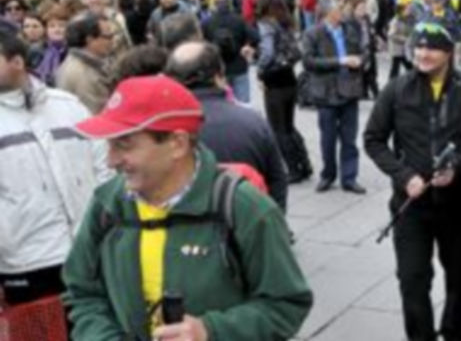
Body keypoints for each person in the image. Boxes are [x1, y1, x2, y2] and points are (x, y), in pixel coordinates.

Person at [62, 75, 313, 340]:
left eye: (124, 145)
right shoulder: (107, 203)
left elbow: (286, 304)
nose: (111, 160)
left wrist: (211, 331)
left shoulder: (245, 209)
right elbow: (82, 292)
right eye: (109, 144)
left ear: (177, 144)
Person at [364, 21, 461, 341]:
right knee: (412, 280)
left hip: (456, 206)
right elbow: (373, 139)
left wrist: (456, 168)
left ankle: (456, 331)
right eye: (418, 46)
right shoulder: (397, 88)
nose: (422, 53)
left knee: (459, 279)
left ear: (448, 52)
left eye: (431, 47)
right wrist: (404, 176)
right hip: (411, 208)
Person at [0, 32, 109, 307]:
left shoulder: (67, 105)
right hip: (27, 260)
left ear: (16, 62)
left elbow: (104, 163)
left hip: (90, 250)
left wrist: (104, 223)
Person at [165, 41, 289, 210]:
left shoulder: (163, 132)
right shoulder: (253, 121)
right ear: (219, 76)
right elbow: (277, 180)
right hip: (249, 221)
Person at [302, 0, 367, 194]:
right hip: (326, 92)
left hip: (350, 89)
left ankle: (349, 178)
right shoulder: (313, 33)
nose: (343, 11)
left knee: (349, 138)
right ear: (328, 13)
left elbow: (363, 51)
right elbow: (308, 61)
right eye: (339, 9)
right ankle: (328, 175)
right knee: (328, 138)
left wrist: (361, 60)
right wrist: (340, 61)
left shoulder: (349, 29)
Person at [255, 0, 312, 184]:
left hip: (274, 81)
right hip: (289, 79)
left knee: (279, 129)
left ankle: (294, 169)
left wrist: (259, 69)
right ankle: (304, 164)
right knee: (288, 126)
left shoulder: (266, 24)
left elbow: (268, 52)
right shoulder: (286, 22)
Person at [201, 0, 259, 103]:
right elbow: (256, 37)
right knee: (243, 104)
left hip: (218, 69)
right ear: (230, 3)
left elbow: (201, 43)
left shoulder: (207, 22)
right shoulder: (239, 20)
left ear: (215, 4)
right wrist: (248, 47)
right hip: (239, 66)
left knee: (222, 104)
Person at [56, 11, 115, 114]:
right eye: (108, 36)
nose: (112, 41)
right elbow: (96, 116)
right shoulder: (83, 74)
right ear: (90, 40)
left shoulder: (84, 64)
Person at [388, 0, 415, 79]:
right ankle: (391, 85)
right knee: (395, 69)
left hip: (404, 49)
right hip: (396, 49)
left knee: (409, 66)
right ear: (401, 11)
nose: (409, 11)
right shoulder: (395, 21)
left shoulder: (408, 19)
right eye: (407, 9)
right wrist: (404, 39)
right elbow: (391, 35)